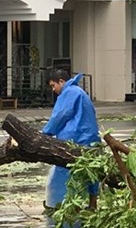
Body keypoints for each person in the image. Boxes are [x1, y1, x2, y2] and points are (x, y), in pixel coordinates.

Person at [43, 69, 100, 209]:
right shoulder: (79, 92)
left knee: (64, 173)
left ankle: (61, 205)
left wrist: (45, 133)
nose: (53, 90)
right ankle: (92, 204)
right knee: (90, 173)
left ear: (61, 81)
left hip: (75, 138)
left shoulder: (69, 93)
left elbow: (60, 116)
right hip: (90, 138)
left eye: (53, 85)